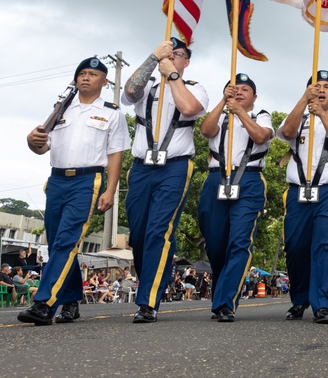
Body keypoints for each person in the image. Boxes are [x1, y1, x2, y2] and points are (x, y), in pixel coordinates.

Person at [20, 56, 128, 325]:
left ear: (104, 81)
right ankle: (70, 300)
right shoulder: (61, 110)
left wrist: (110, 190)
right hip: (56, 180)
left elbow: (116, 154)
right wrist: (31, 141)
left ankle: (44, 303)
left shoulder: (112, 112)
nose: (85, 77)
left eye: (92, 74)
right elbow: (43, 146)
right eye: (81, 73)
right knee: (58, 244)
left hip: (86, 181)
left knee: (67, 240)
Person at [122, 38, 208, 323]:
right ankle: (153, 280)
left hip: (174, 167)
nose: (172, 58)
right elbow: (129, 90)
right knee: (138, 235)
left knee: (160, 230)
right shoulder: (147, 86)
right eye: (168, 54)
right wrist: (152, 58)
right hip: (141, 166)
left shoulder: (194, 87)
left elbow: (189, 109)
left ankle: (148, 301)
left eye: (178, 55)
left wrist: (172, 73)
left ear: (186, 61)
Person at [279, 69, 328, 324]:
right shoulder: (298, 118)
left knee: (327, 245)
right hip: (297, 191)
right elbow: (287, 133)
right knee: (295, 247)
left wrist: (322, 114)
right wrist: (304, 101)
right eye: (315, 85)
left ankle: (323, 304)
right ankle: (300, 299)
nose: (321, 89)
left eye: (326, 86)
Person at [198, 72, 273, 322]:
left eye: (244, 89)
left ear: (254, 95)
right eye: (233, 89)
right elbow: (205, 130)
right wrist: (222, 103)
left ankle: (226, 302)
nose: (239, 92)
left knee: (239, 242)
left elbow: (261, 137)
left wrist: (239, 112)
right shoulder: (220, 115)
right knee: (216, 245)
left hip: (248, 180)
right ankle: (221, 296)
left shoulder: (260, 115)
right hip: (216, 179)